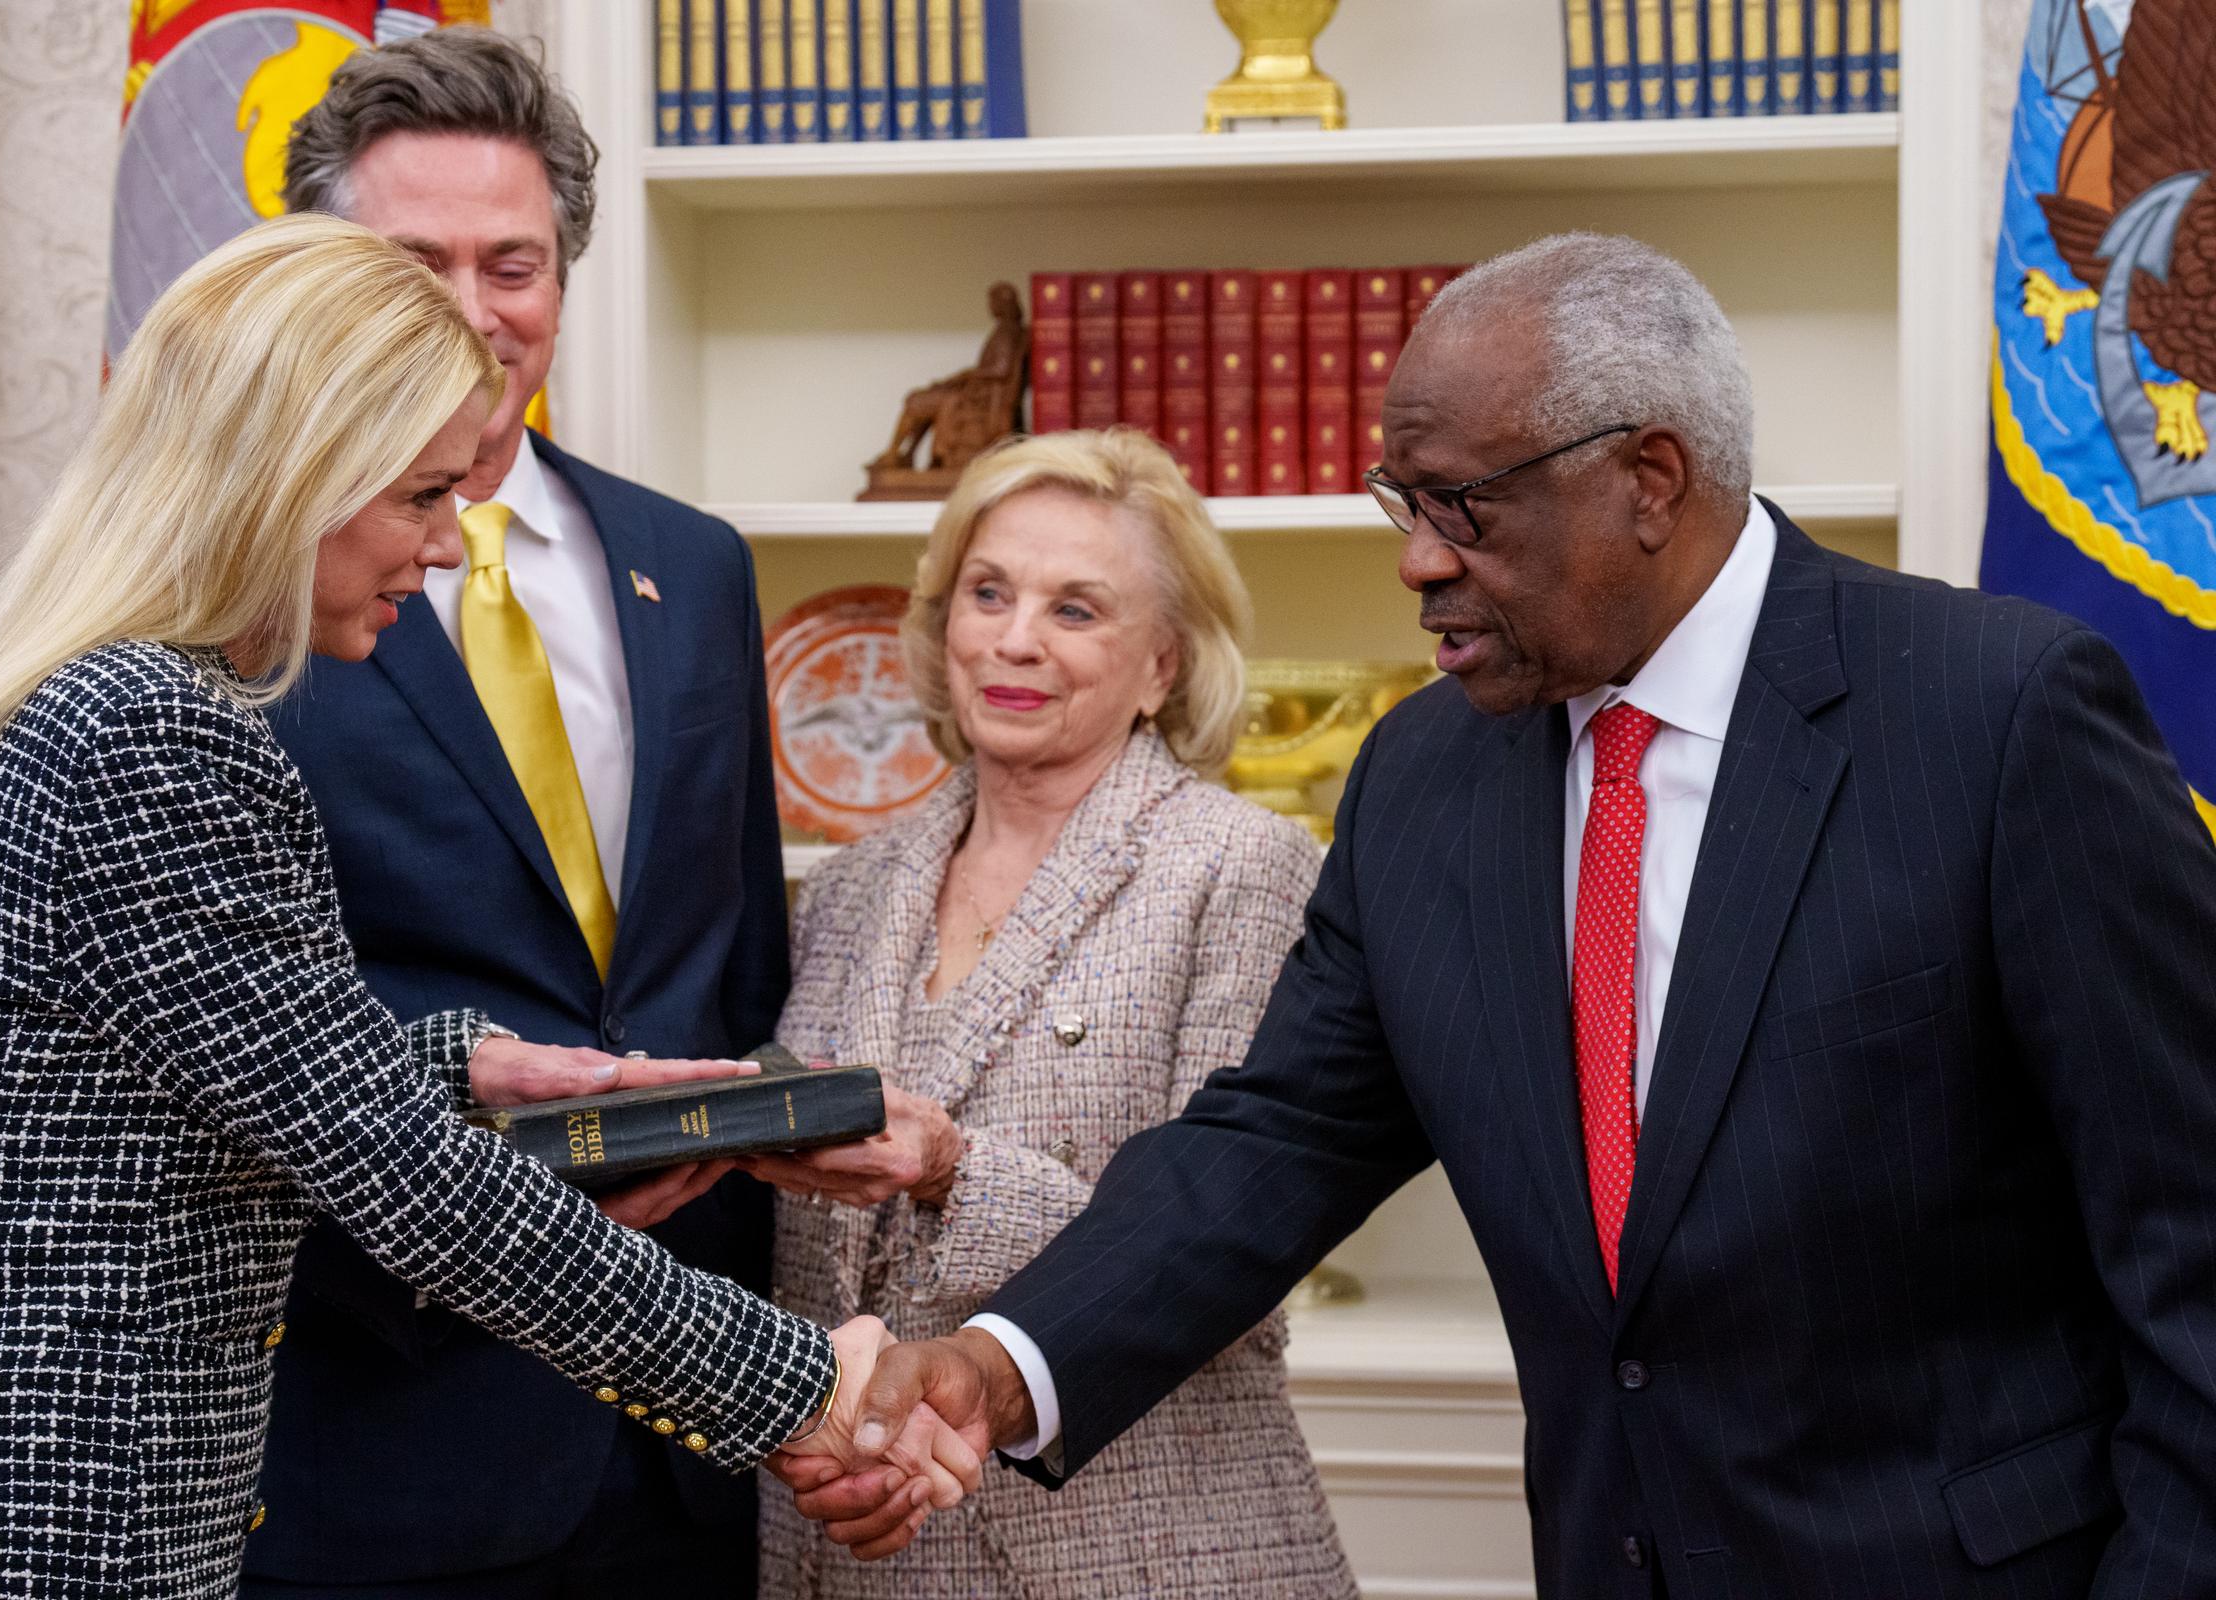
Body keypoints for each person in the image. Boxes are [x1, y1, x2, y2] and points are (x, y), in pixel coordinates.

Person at [804, 233, 2216, 1597]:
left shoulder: (1997, 716)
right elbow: (1280, 1137)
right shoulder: (1425, 774)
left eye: (1460, 507)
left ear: (1648, 480)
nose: (1416, 562)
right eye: (1401, 506)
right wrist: (995, 1366)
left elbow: (2191, 1242)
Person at [0, 215, 977, 1600]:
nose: (443, 547)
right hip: (28, 1533)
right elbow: (406, 1182)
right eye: (423, 495)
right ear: (288, 475)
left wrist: (464, 1062)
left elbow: (159, 1068)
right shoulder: (150, 736)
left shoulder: (104, 698)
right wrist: (799, 1386)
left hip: (0, 1506)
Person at [245, 29, 794, 1598]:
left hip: (684, 1443)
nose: (474, 313)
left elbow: (735, 964)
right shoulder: (242, 596)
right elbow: (245, 1053)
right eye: (415, 265)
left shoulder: (694, 565)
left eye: (514, 264)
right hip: (378, 1435)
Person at [752, 429, 1354, 1598]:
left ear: (1163, 665)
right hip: (849, 1540)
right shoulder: (845, 887)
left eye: (1075, 609)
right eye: (988, 593)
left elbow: (1239, 1251)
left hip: (1129, 1550)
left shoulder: (1245, 869)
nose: (1014, 638)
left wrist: (954, 1170)